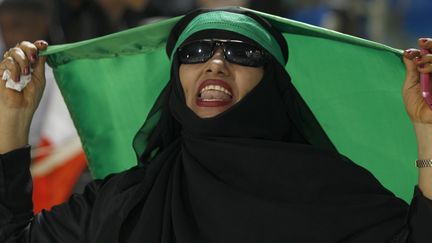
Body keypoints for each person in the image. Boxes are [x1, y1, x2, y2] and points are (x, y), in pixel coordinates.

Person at [0, 7, 431, 243]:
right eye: (196, 51)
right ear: (177, 80)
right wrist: (15, 118)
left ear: (273, 86)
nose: (216, 63)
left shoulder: (330, 190)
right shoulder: (126, 197)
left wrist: (428, 130)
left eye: (242, 54)